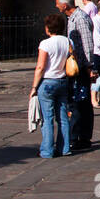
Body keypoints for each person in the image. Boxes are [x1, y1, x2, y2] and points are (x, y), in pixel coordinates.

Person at [29, 11, 72, 159]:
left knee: (47, 118)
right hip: (62, 80)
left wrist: (34, 87)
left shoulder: (45, 43)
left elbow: (40, 67)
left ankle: (47, 150)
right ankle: (64, 148)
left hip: (47, 82)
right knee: (63, 117)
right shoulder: (68, 42)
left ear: (48, 28)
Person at [55, 0, 95, 150]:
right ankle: (80, 136)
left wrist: (90, 66)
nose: (56, 6)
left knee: (80, 103)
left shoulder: (79, 18)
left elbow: (87, 44)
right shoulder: (73, 18)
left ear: (64, 5)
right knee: (79, 102)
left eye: (57, 3)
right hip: (77, 66)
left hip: (81, 67)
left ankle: (80, 138)